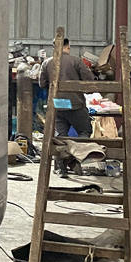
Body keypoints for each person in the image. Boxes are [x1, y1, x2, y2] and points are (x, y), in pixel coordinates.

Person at [39, 37, 96, 173]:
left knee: (61, 136)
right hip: (75, 104)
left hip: (57, 105)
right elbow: (89, 81)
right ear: (68, 47)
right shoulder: (76, 61)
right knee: (85, 131)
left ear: (54, 47)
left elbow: (42, 83)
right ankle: (74, 158)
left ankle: (61, 167)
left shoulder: (47, 63)